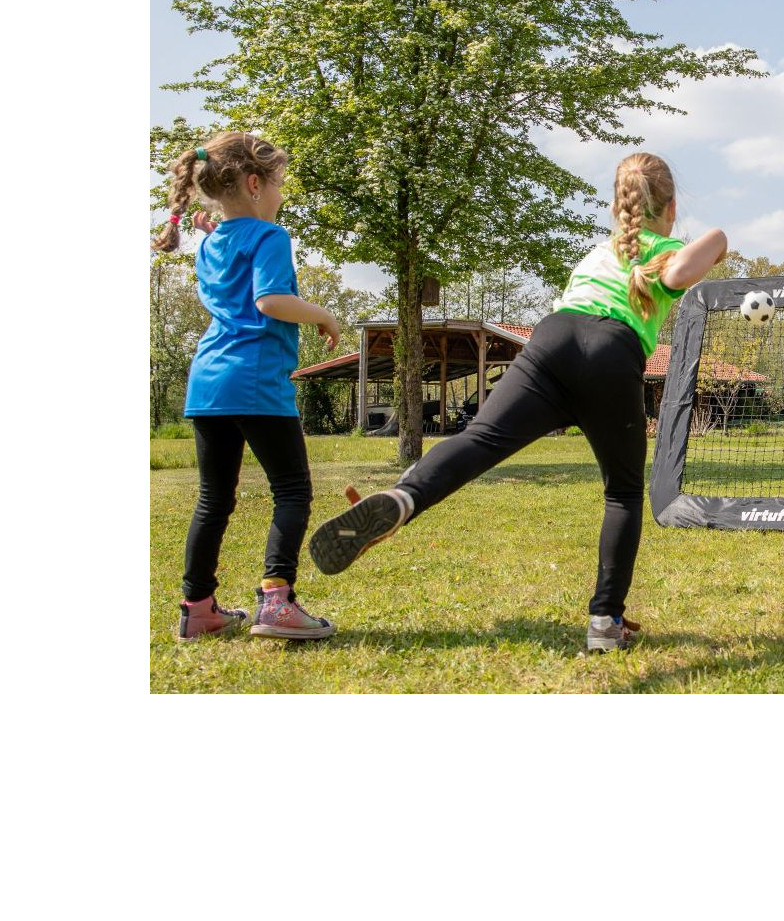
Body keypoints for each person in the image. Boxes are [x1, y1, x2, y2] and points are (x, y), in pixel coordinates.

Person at [308, 152, 727, 652]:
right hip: (612, 353)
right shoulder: (664, 248)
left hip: (552, 340)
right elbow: (679, 276)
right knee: (622, 493)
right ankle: (604, 622)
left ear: (620, 205)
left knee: (480, 438)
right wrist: (719, 238)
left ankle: (405, 497)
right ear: (670, 207)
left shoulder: (600, 253)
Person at [153, 133, 340, 641]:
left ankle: (197, 609)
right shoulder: (270, 237)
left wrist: (214, 228)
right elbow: (269, 301)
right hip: (254, 380)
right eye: (278, 183)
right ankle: (276, 603)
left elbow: (235, 272)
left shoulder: (211, 243)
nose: (281, 193)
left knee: (213, 500)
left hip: (208, 383)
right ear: (255, 184)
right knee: (292, 490)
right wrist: (322, 314)